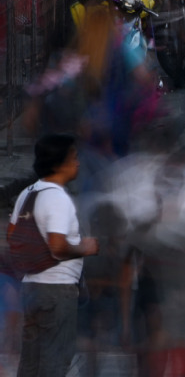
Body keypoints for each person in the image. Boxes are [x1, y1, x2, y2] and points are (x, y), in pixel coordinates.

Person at [10, 134, 100, 377]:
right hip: (56, 289)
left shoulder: (27, 194)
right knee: (54, 362)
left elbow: (12, 235)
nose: (78, 163)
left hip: (31, 288)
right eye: (74, 157)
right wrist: (85, 247)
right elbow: (58, 247)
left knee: (30, 363)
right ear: (59, 163)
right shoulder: (58, 198)